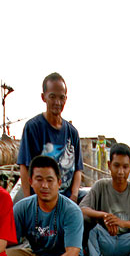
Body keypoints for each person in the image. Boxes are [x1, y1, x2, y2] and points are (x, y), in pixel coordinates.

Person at [7, 155, 87, 256]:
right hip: (34, 254)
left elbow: (72, 252)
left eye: (50, 180)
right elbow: (8, 240)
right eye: (39, 179)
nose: (44, 185)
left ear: (59, 183)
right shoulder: (22, 207)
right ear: (31, 182)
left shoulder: (72, 211)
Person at [17, 73, 84, 201]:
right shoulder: (33, 127)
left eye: (61, 97)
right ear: (44, 97)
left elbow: (78, 170)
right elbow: (24, 167)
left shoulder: (72, 132)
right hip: (41, 199)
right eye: (52, 97)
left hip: (66, 199)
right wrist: (30, 202)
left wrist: (74, 197)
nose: (57, 102)